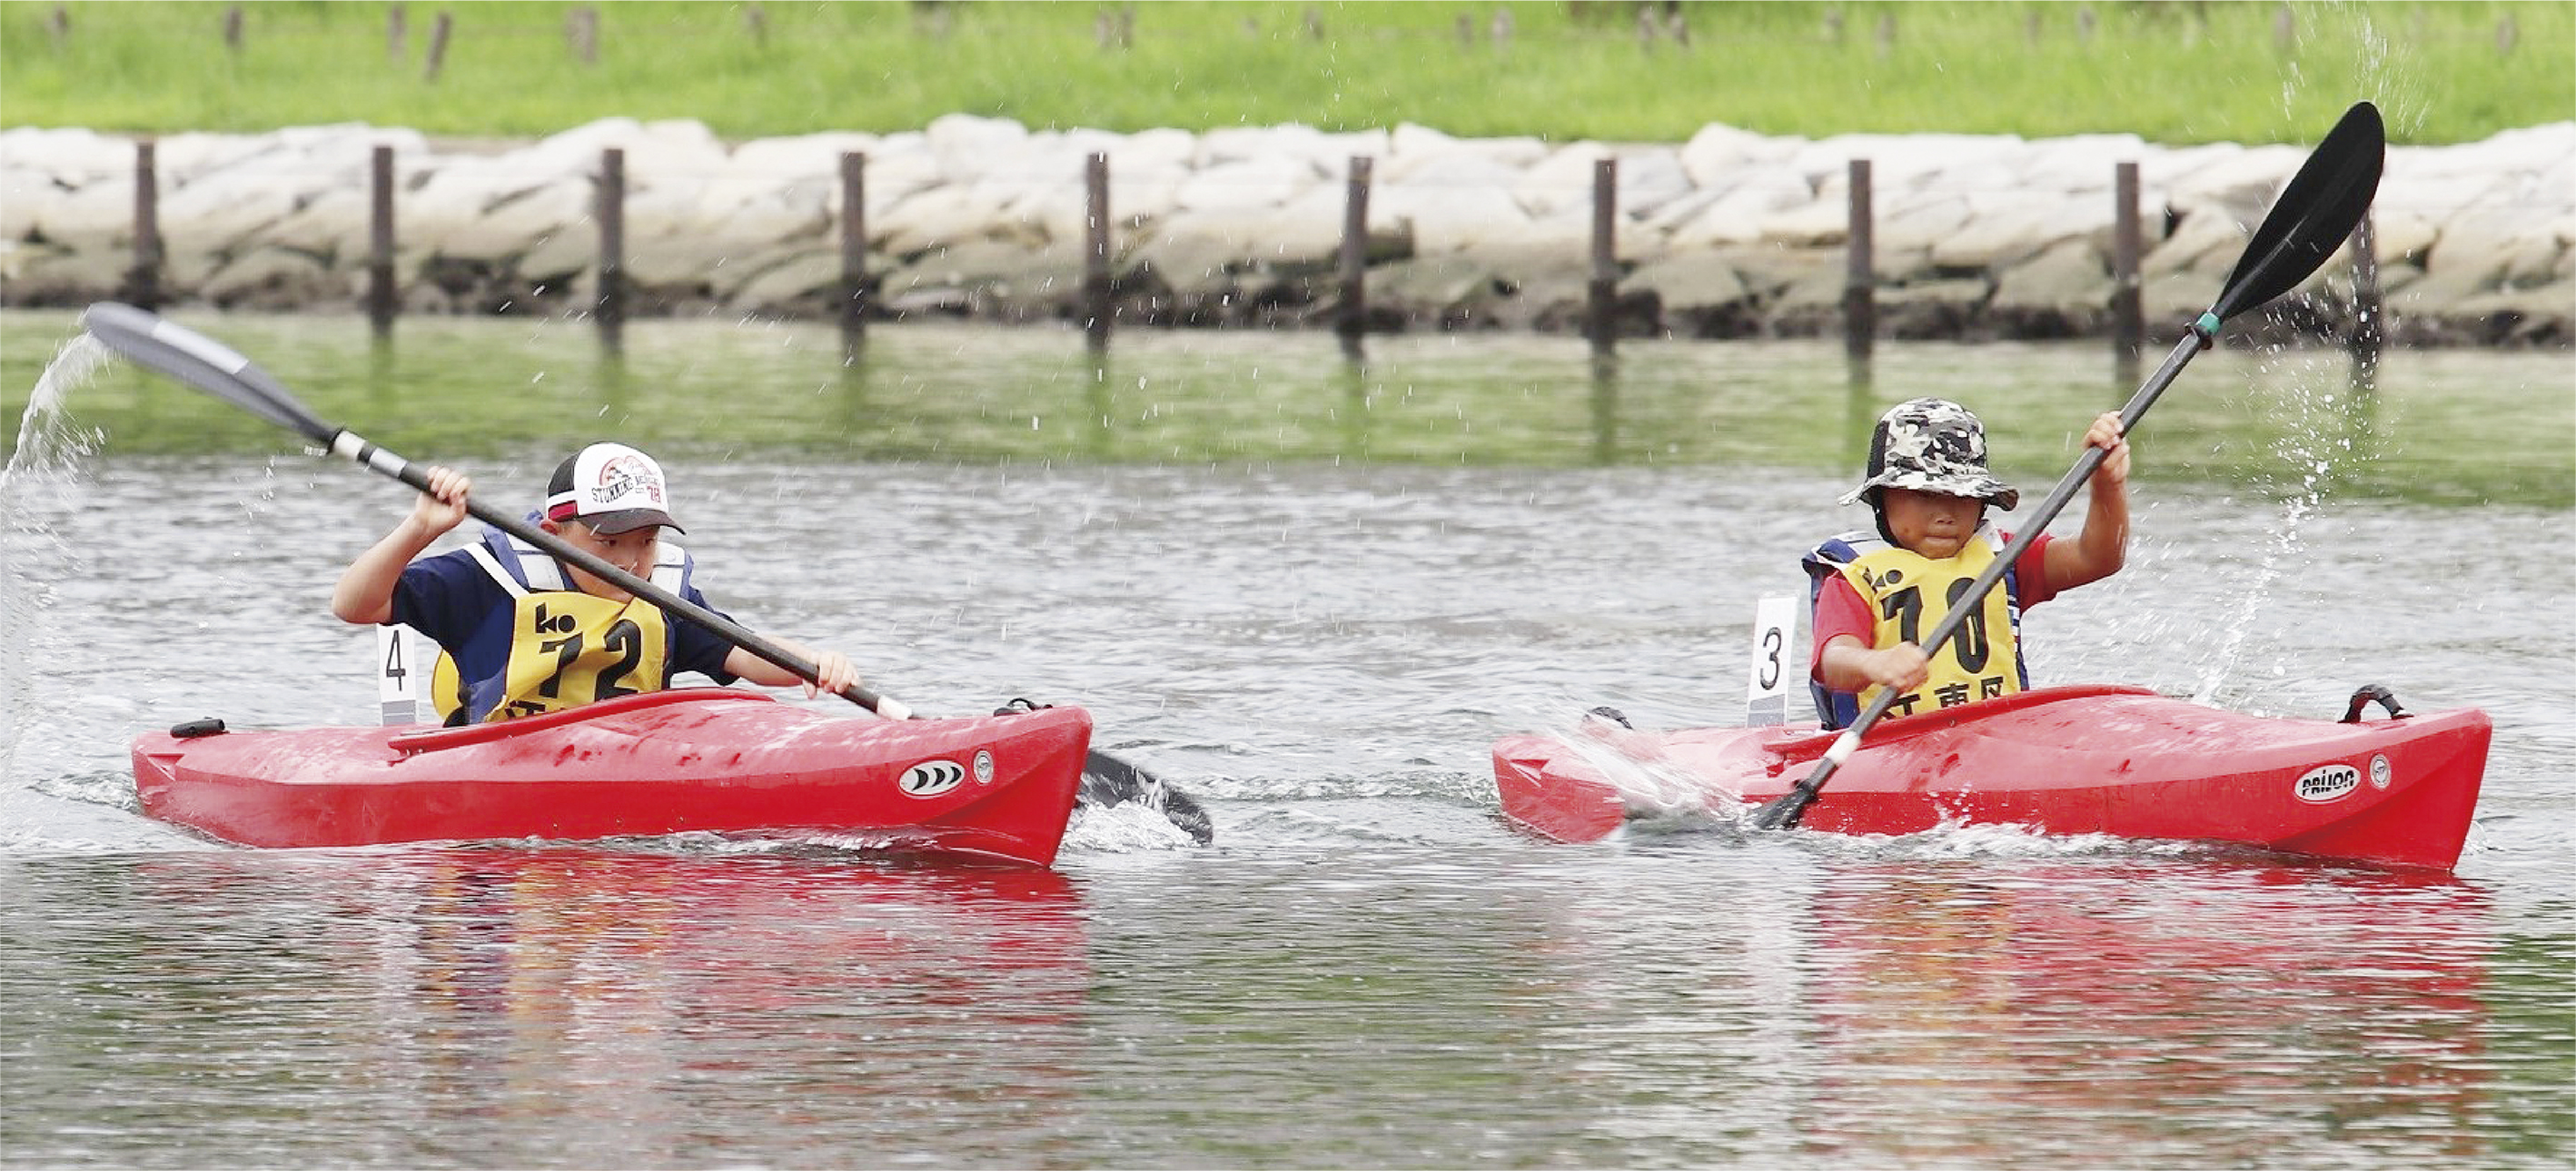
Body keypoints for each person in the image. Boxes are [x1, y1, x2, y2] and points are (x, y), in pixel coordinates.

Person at [332, 442, 860, 726]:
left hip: (627, 760)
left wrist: (810, 664)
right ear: (551, 533)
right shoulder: (487, 579)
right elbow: (353, 606)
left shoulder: (665, 596)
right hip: (499, 760)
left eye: (646, 541)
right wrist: (420, 529)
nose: (632, 563)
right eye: (609, 544)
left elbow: (745, 654)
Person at [1802, 397, 2129, 729]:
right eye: (1925, 494)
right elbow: (1833, 661)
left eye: (1962, 496)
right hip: (1885, 750)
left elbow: (2099, 557)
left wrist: (2106, 486)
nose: (1946, 515)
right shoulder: (1854, 574)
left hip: (1993, 741)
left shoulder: (2003, 558)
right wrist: (1874, 663)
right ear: (1883, 498)